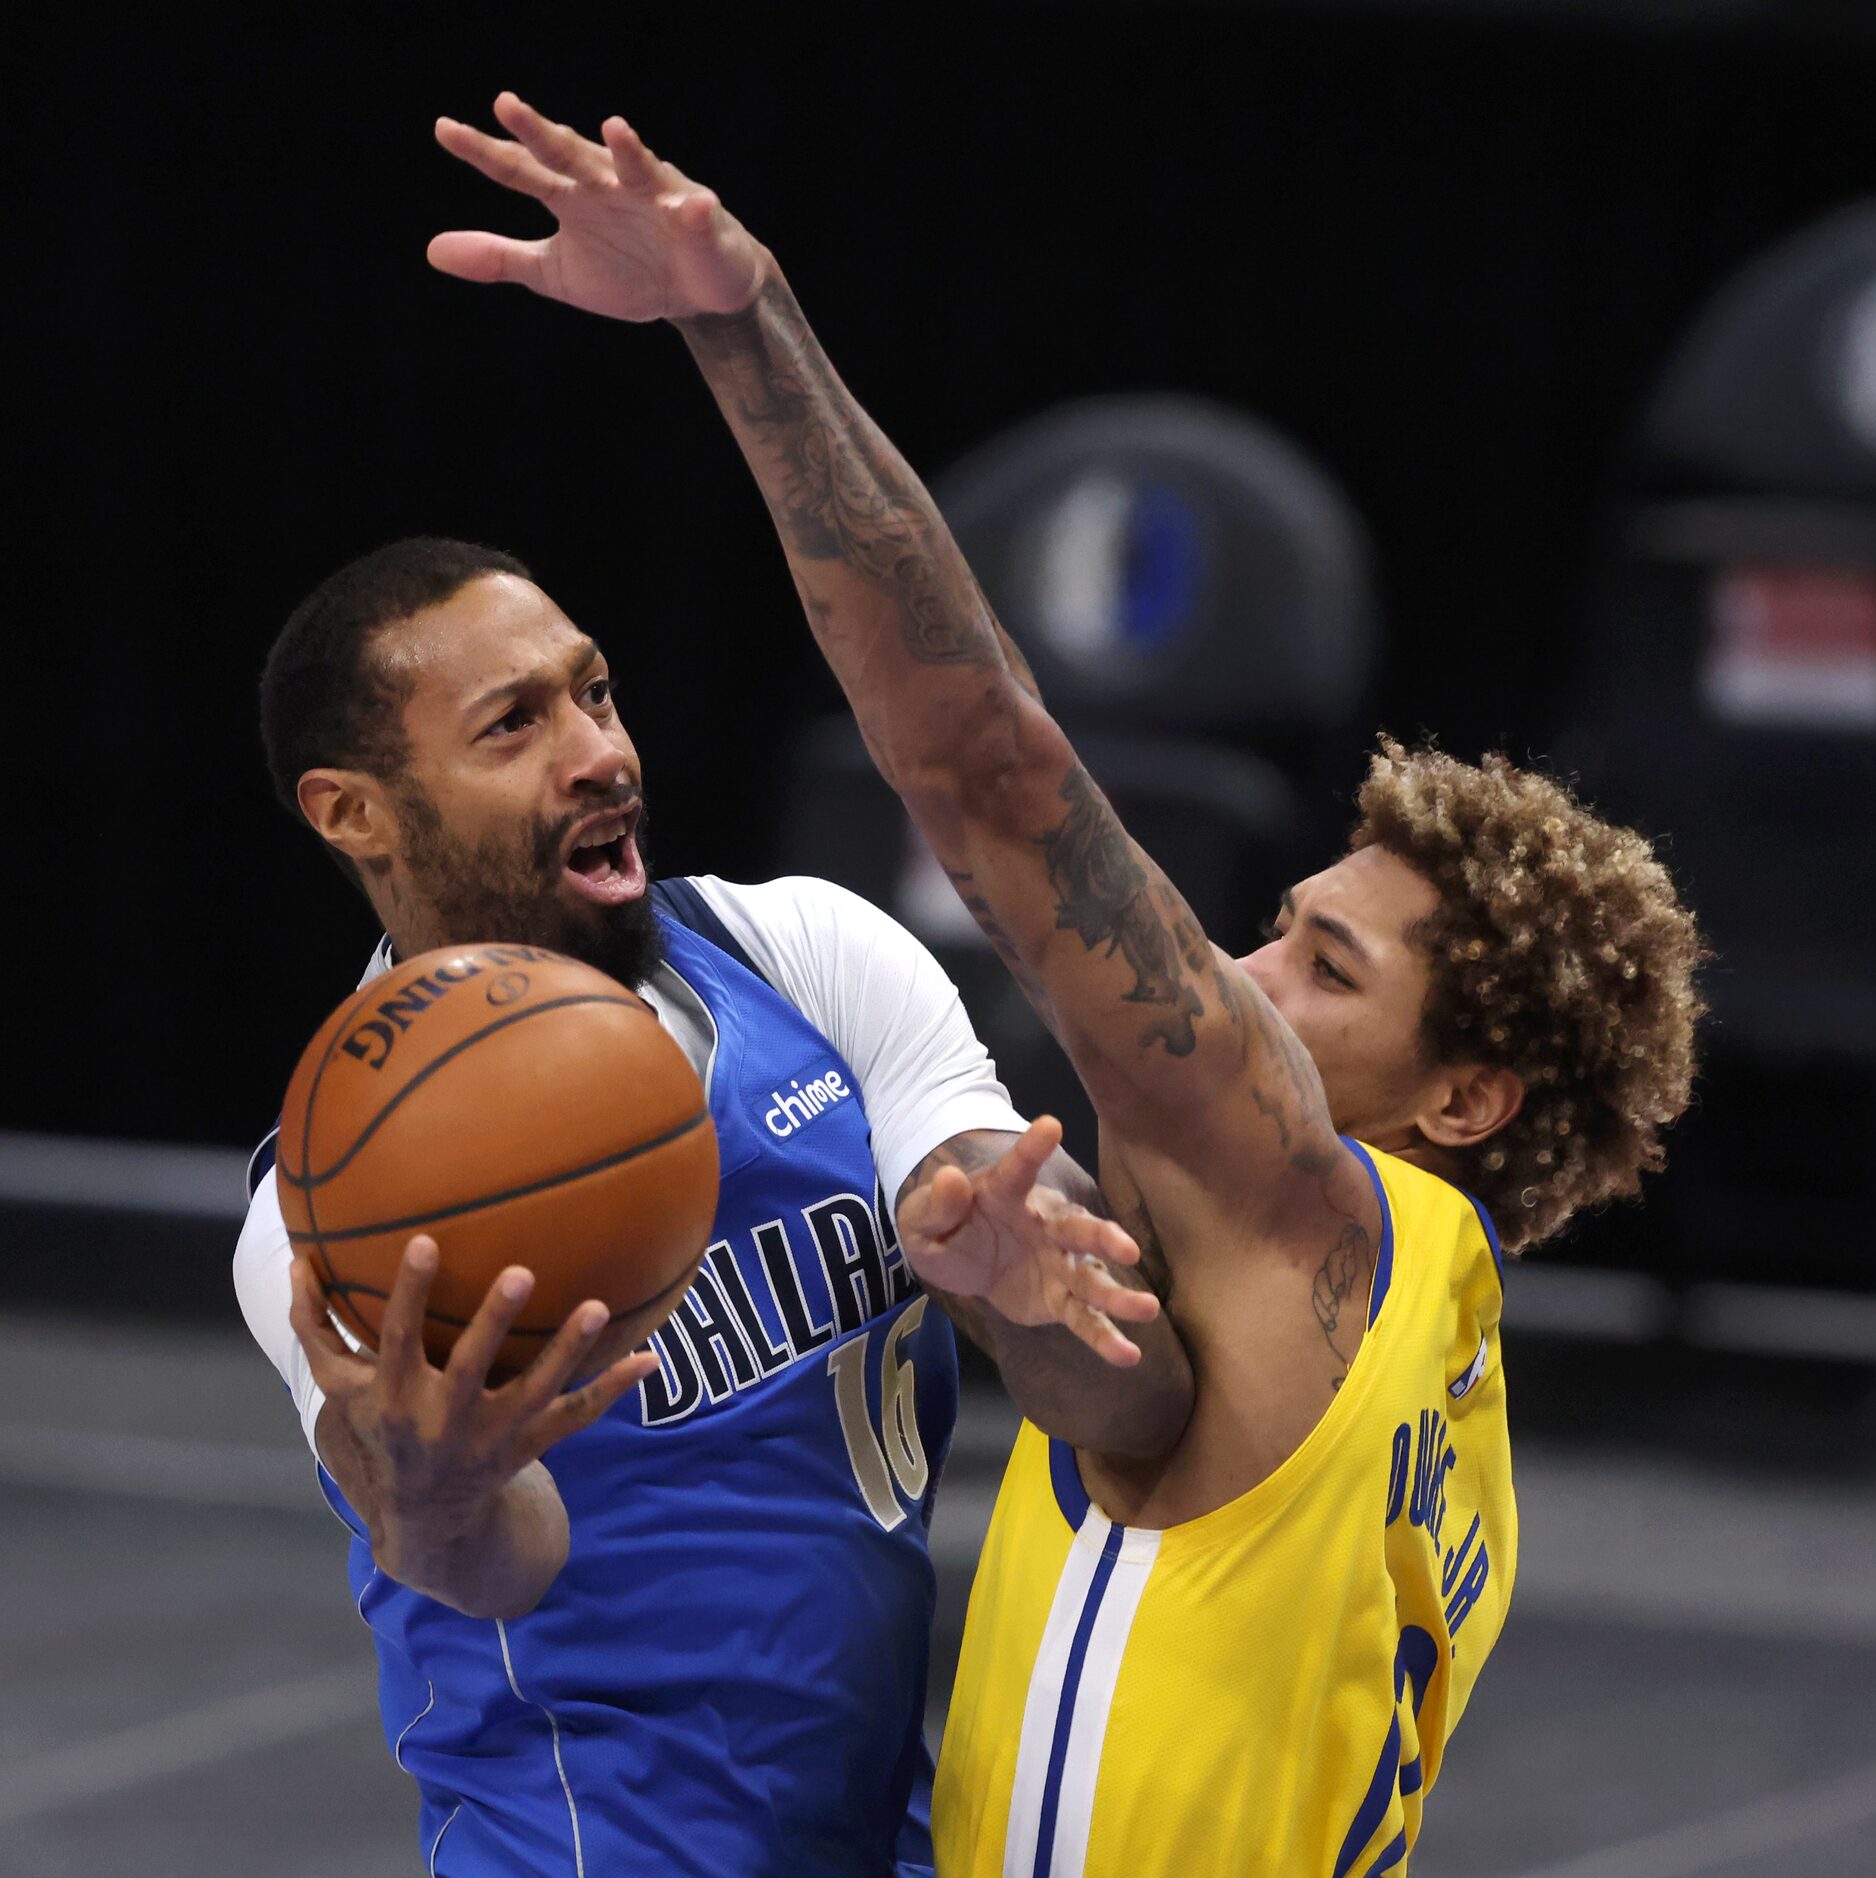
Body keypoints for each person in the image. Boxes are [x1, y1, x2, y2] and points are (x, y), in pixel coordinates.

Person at [428, 92, 1704, 1874]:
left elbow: (984, 765)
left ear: (1465, 1098)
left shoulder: (1292, 1195)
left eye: (1324, 969)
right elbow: (1142, 1422)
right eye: (1280, 925)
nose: (1245, 979)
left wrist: (739, 320)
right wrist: (1018, 1309)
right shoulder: (1436, 1368)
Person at [233, 533, 1196, 1877]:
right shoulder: (333, 1200)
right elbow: (489, 1565)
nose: (600, 752)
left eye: (595, 692)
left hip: (889, 1824)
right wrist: (439, 1495)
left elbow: (1136, 1404)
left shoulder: (808, 954)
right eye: (514, 724)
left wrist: (1017, 1287)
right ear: (355, 812)